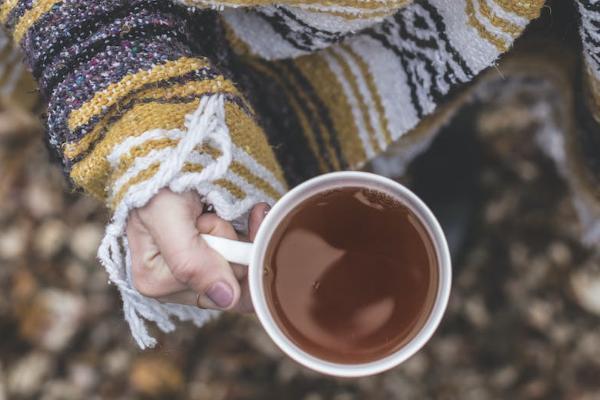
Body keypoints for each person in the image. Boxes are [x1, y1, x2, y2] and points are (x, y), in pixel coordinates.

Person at [0, 0, 597, 349]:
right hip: (287, 41)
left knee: (495, 51)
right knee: (416, 95)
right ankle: (432, 140)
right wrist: (149, 125)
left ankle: (441, 120)